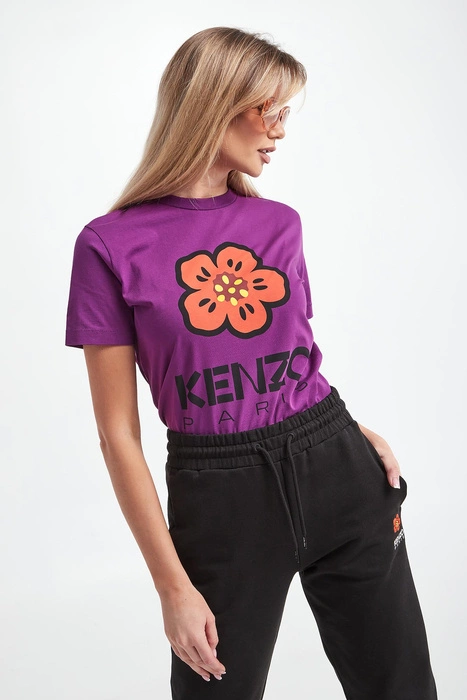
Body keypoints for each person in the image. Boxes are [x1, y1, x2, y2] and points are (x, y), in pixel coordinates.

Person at [64, 26, 438, 700]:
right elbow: (117, 435)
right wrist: (172, 587)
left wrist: (349, 432)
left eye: (285, 112)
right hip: (220, 498)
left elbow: (290, 359)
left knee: (401, 688)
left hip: (340, 469)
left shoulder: (279, 224)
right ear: (216, 103)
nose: (280, 131)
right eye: (269, 110)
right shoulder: (108, 246)